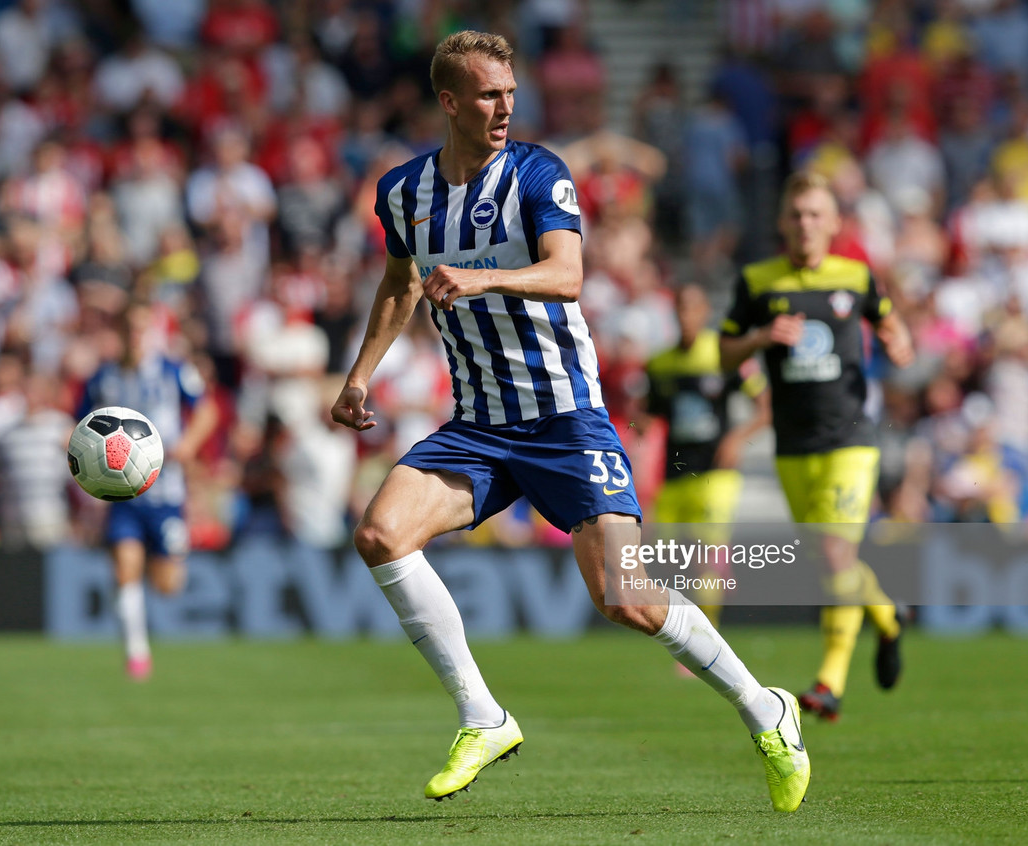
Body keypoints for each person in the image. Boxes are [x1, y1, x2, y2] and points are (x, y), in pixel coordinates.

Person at [331, 31, 809, 812]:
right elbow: (398, 283)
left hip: (563, 418)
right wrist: (359, 376)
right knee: (380, 533)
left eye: (511, 93)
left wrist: (482, 278)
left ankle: (767, 709)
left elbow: (569, 274)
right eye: (488, 95)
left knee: (627, 598)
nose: (504, 107)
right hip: (481, 424)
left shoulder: (537, 173)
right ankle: (482, 716)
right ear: (449, 101)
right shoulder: (403, 192)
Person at [719, 170, 916, 722]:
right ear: (783, 222)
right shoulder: (758, 281)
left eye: (815, 214)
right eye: (796, 214)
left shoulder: (855, 276)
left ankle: (829, 682)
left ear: (833, 222)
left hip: (851, 441)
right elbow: (724, 355)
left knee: (835, 555)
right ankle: (887, 614)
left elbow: (891, 323)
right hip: (793, 446)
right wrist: (760, 338)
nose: (805, 224)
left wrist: (901, 342)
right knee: (833, 563)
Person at [78, 302, 218, 680]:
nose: (136, 336)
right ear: (119, 332)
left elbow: (207, 411)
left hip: (167, 492)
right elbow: (80, 425)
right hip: (122, 493)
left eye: (143, 329)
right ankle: (136, 653)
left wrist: (188, 444)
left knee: (168, 584)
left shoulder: (174, 371)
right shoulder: (103, 377)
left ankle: (142, 630)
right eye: (130, 329)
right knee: (125, 568)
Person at [643, 283, 770, 628]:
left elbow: (765, 408)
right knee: (668, 560)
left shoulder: (725, 356)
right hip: (676, 472)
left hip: (716, 472)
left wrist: (736, 438)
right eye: (680, 308)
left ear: (703, 313)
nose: (686, 316)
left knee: (705, 554)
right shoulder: (659, 363)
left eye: (692, 308)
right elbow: (650, 416)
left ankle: (706, 633)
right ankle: (682, 631)